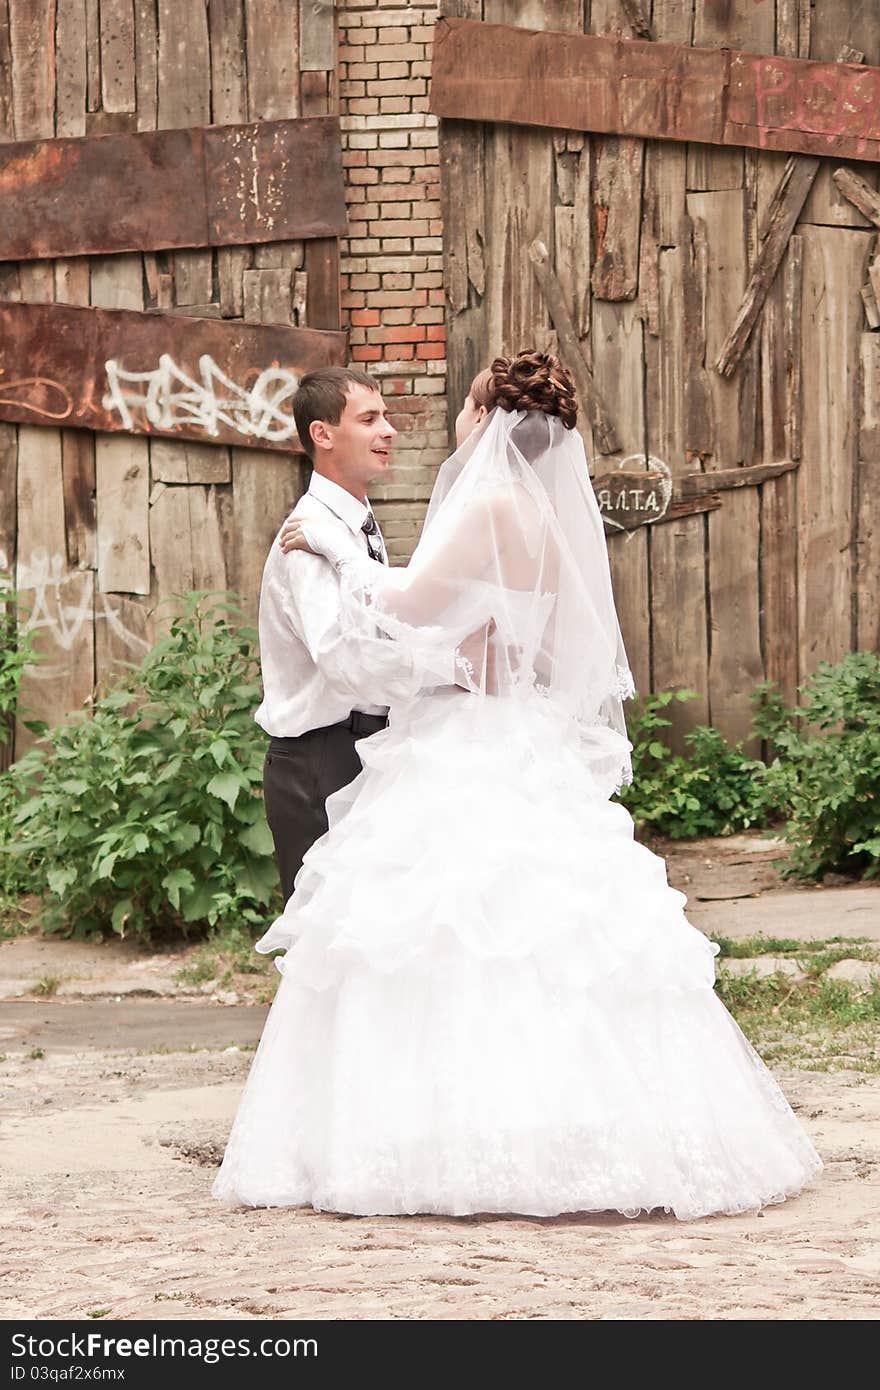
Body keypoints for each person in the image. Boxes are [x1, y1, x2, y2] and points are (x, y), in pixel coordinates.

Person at [214, 352, 821, 1220]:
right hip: (519, 738)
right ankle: (571, 1124)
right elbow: (512, 646)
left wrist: (343, 561)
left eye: (463, 408)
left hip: (468, 744)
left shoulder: (487, 505)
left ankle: (440, 1133)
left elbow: (409, 602)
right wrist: (458, 658)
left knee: (446, 932)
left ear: (488, 422)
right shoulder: (542, 520)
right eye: (375, 416)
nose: (435, 425)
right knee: (539, 938)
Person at [255, 366, 461, 904]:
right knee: (326, 951)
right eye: (369, 419)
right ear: (322, 435)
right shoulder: (306, 537)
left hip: (363, 747)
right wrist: (450, 671)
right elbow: (344, 660)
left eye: (386, 416)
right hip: (321, 763)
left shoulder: (353, 523)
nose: (388, 430)